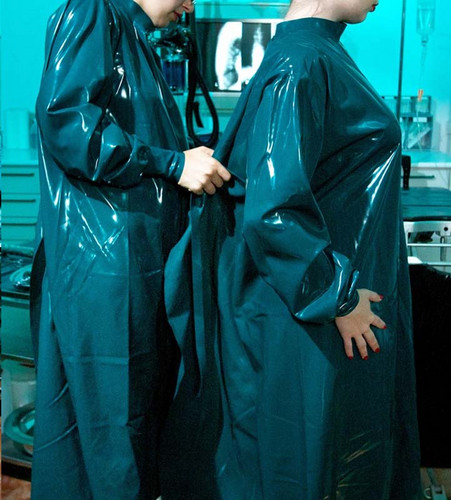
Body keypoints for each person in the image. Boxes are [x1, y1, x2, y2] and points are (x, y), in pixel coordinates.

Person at [161, 0, 421, 498]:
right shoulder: (301, 63)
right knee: (310, 464)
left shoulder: (317, 54)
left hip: (329, 305)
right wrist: (337, 296)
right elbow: (273, 210)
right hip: (317, 316)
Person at [30, 0, 230, 497]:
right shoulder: (94, 10)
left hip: (129, 272)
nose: (190, 5)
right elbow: (67, 122)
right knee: (109, 441)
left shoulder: (132, 36)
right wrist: (172, 163)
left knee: (130, 432)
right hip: (103, 278)